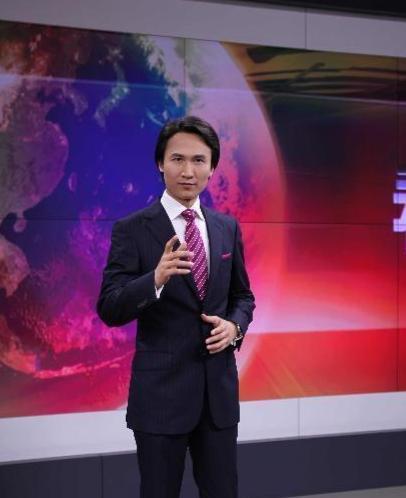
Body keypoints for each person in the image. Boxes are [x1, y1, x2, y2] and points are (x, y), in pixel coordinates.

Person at [97, 116, 255, 498]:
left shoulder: (226, 227)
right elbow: (110, 306)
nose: (188, 171)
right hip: (160, 399)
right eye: (177, 159)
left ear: (212, 167)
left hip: (217, 399)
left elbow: (243, 297)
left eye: (199, 161)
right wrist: (155, 279)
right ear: (160, 163)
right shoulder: (133, 229)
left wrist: (234, 328)